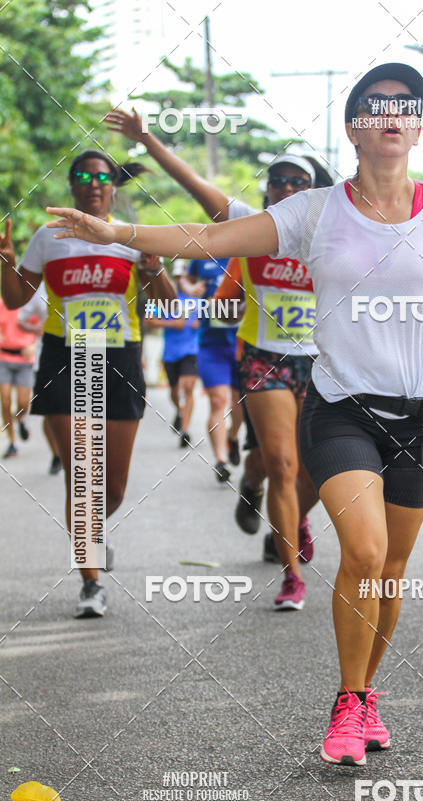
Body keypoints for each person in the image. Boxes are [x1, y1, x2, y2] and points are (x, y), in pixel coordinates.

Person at [48, 61, 423, 758]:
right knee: (364, 552)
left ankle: (367, 696)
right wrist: (120, 235)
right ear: (354, 129)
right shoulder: (313, 212)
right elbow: (209, 238)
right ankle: (347, 702)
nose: (393, 115)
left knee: (391, 571)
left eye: (407, 106)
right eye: (376, 106)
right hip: (340, 407)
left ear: (419, 126)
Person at [104, 107, 326, 608]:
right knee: (284, 464)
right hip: (262, 358)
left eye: (299, 182)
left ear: (312, 192)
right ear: (268, 189)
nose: (287, 189)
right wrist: (149, 141)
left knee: (314, 472)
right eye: (279, 181)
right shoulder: (250, 224)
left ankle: (265, 496)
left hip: (320, 363)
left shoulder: (329, 232)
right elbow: (193, 186)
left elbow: (389, 254)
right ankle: (291, 575)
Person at [1, 149, 176, 618]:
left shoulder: (133, 238)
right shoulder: (48, 238)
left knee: (111, 489)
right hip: (65, 356)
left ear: (112, 187)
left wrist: (153, 266)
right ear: (73, 187)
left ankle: (93, 533)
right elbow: (17, 298)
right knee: (83, 474)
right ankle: (91, 580)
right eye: (82, 176)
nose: (92, 184)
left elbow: (168, 308)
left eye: (101, 177)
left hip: (119, 358)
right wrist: (7, 263)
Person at [186, 254, 243, 484]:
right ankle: (221, 461)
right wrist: (192, 289)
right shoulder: (202, 255)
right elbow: (186, 280)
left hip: (242, 342)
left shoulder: (247, 252)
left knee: (240, 404)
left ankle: (233, 436)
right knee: (218, 401)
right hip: (211, 344)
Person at [145, 258, 199, 449]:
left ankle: (184, 431)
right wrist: (171, 324)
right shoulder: (165, 297)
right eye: (179, 275)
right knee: (175, 392)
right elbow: (148, 321)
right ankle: (180, 411)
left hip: (191, 349)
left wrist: (200, 323)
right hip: (170, 352)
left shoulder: (199, 299)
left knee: (188, 387)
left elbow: (211, 318)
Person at [17, 284, 63, 473]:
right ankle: (57, 455)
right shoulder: (40, 288)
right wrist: (36, 328)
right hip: (46, 358)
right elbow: (21, 320)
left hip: (80, 355)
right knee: (51, 412)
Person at [0, 296, 37, 458]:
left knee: (23, 403)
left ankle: (21, 419)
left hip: (24, 359)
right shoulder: (3, 304)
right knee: (5, 400)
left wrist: (33, 344)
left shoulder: (30, 304)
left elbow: (40, 326)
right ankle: (12, 442)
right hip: (4, 357)